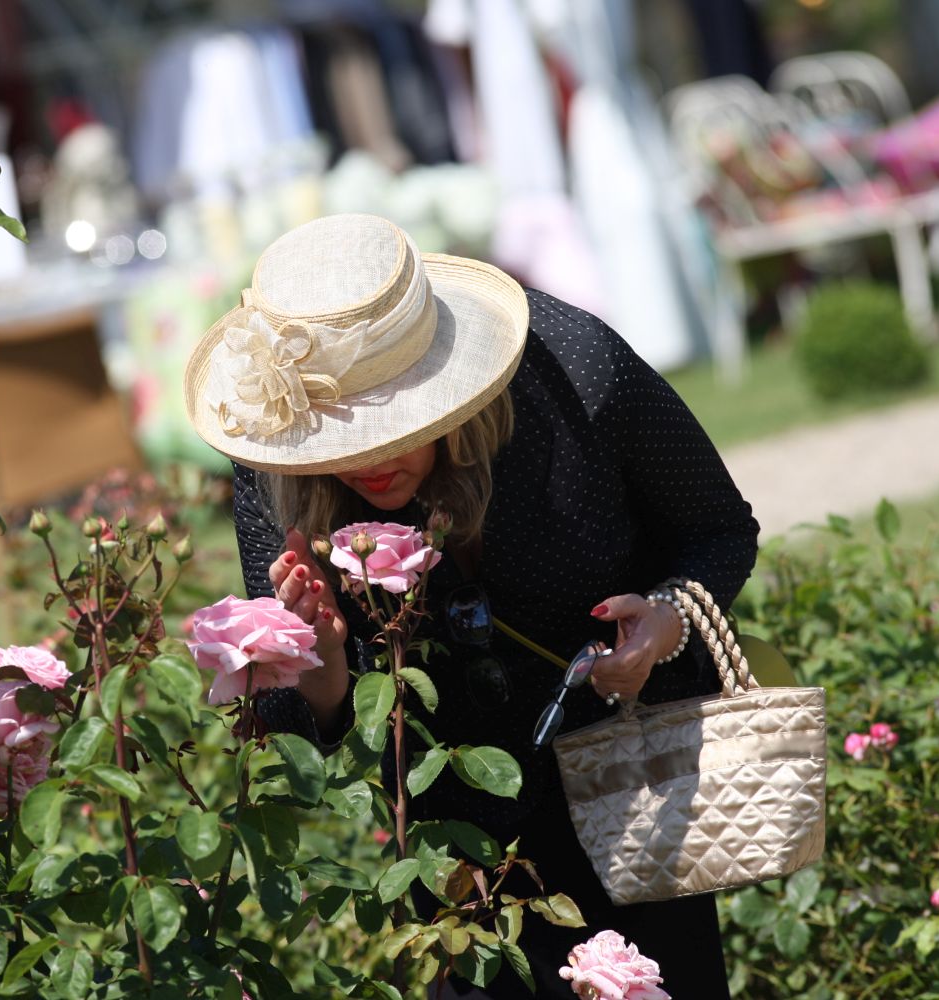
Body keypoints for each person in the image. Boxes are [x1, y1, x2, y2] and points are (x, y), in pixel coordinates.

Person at [183, 214, 758, 998]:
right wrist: (315, 661)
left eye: (391, 425)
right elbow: (303, 724)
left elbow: (719, 531)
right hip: (452, 839)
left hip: (634, 787)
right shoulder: (273, 453)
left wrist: (665, 619)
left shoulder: (579, 373)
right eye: (338, 444)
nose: (370, 462)